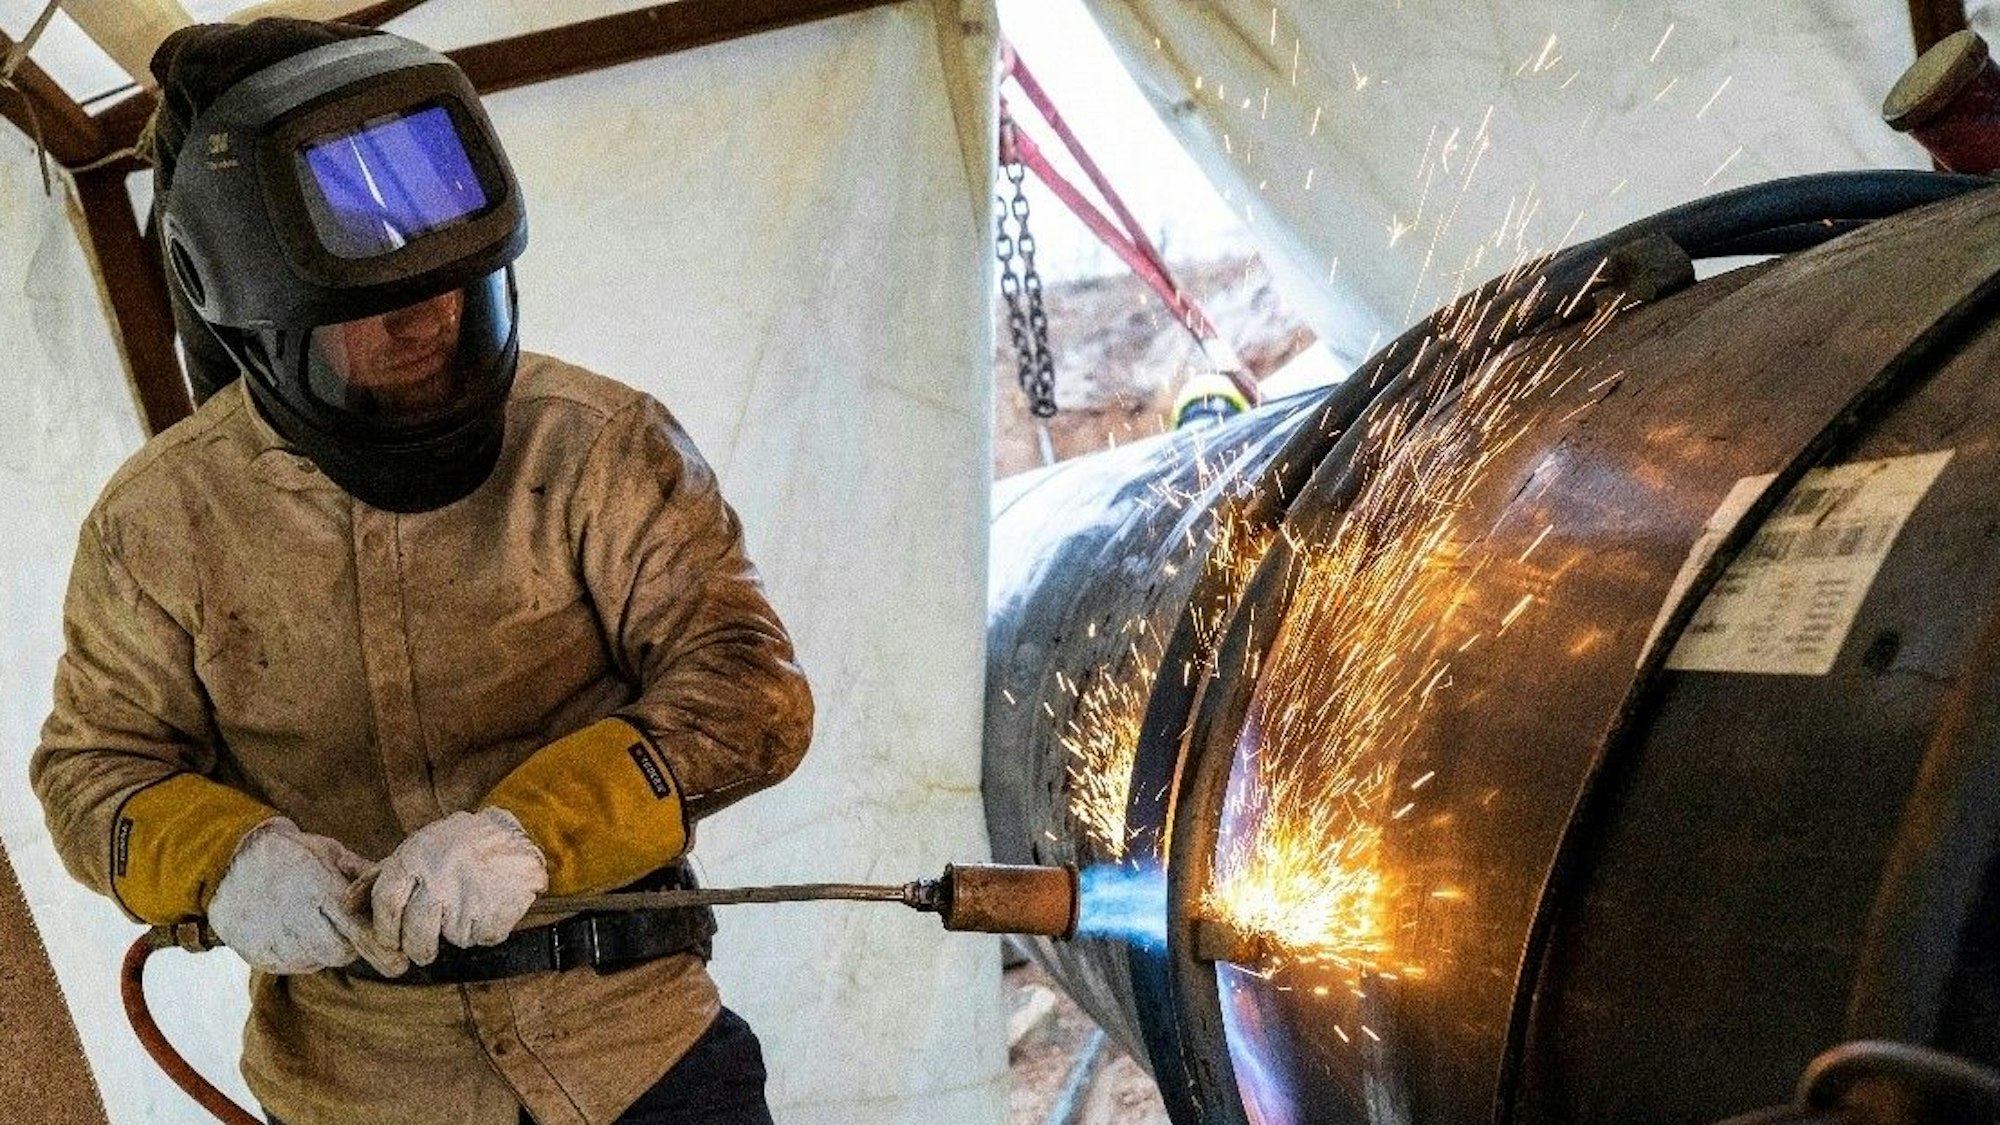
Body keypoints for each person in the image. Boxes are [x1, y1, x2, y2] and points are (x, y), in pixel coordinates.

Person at [29, 18, 814, 1125]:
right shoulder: (159, 523)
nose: (433, 322)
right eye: (378, 310)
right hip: (351, 1088)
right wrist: (227, 861)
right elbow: (90, 773)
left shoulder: (594, 442)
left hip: (634, 1057)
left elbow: (751, 696)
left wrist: (532, 831)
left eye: (458, 287)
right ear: (258, 324)